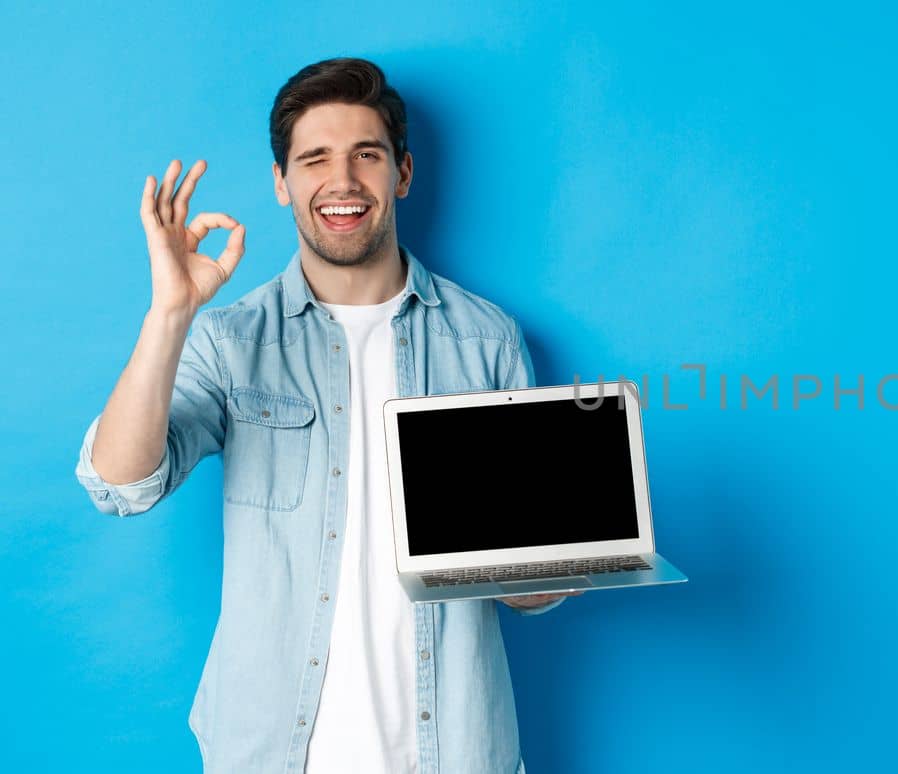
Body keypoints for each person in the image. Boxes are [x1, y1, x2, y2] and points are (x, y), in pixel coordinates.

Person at [72, 57, 578, 774]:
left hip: (456, 751)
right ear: (282, 183)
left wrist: (560, 561)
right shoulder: (230, 340)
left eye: (365, 156)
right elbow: (120, 483)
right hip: (270, 753)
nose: (341, 182)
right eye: (314, 159)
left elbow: (527, 588)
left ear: (401, 174)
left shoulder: (486, 340)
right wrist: (170, 314)